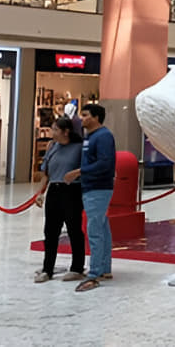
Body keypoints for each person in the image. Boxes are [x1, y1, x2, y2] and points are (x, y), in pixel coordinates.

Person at [64, 104, 116, 293]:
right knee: (101, 227)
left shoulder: (103, 137)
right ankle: (103, 267)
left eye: (85, 115)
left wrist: (79, 172)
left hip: (98, 188)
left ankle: (94, 272)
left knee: (95, 229)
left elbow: (105, 163)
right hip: (91, 187)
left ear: (95, 117)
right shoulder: (91, 137)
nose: (82, 118)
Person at [34, 117, 86, 283]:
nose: (52, 133)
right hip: (54, 190)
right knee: (50, 231)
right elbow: (46, 174)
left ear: (66, 131)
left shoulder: (79, 148)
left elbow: (87, 168)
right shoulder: (52, 147)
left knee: (73, 229)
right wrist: (40, 192)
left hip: (72, 190)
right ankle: (47, 268)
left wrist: (75, 173)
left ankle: (77, 267)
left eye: (55, 129)